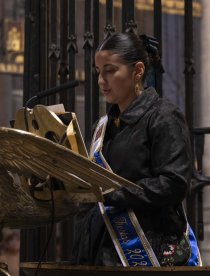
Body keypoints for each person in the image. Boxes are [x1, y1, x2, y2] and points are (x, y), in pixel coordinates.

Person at [72, 32, 201, 267]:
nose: (101, 80)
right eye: (99, 72)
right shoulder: (102, 127)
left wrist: (111, 192)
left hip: (150, 249)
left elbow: (175, 183)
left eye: (110, 70)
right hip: (100, 253)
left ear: (138, 70)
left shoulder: (163, 116)